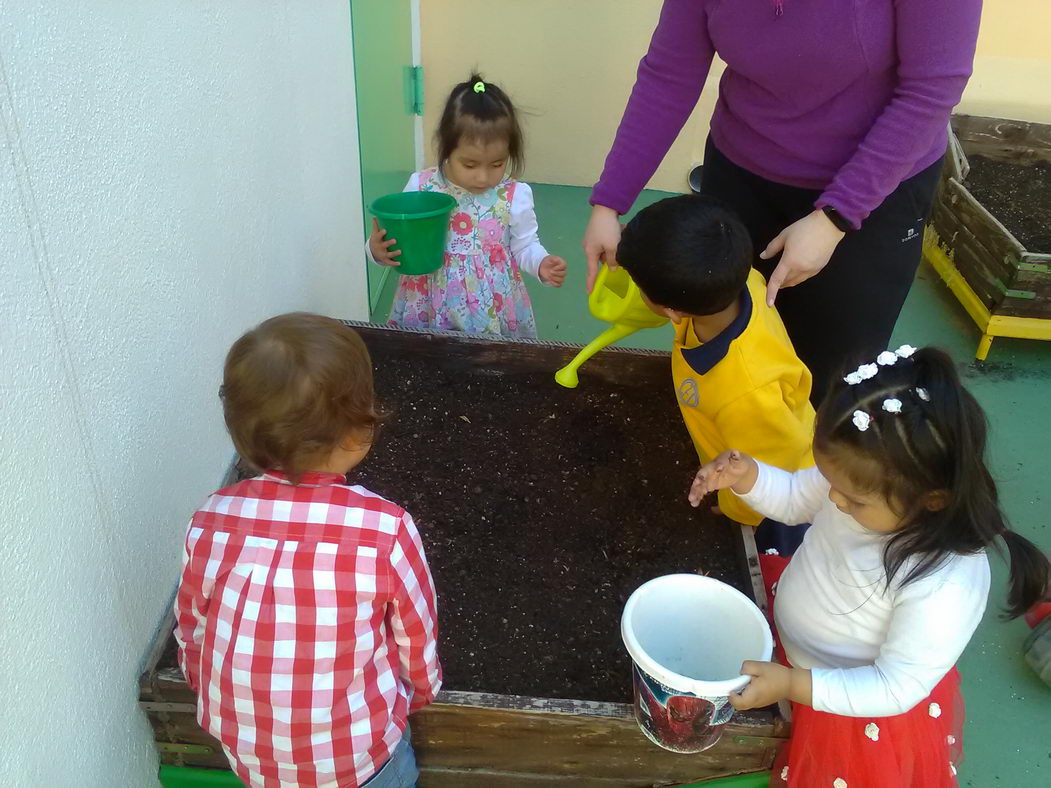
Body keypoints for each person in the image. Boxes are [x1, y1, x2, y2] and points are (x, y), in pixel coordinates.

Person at [583, 0, 982, 403]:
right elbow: (670, 73)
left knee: (831, 376)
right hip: (741, 170)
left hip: (876, 184)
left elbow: (932, 88)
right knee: (725, 346)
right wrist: (609, 202)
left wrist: (836, 216)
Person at [688, 345, 1051, 787]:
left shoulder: (944, 582)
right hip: (788, 653)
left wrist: (793, 685)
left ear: (931, 499)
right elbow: (796, 498)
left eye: (853, 499)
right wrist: (748, 477)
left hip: (847, 704)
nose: (834, 500)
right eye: (830, 480)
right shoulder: (861, 482)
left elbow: (895, 686)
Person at [174, 313, 441, 788]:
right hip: (358, 760)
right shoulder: (384, 530)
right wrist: (419, 692)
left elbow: (193, 627)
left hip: (250, 754)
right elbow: (414, 640)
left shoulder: (212, 519)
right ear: (355, 429)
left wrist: (203, 684)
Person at [617, 194, 814, 556]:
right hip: (750, 427)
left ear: (672, 310)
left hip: (783, 495)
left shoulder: (744, 392)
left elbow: (770, 465)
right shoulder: (742, 282)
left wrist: (735, 506)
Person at [370, 74, 567, 338]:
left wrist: (541, 263)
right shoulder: (422, 187)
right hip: (427, 304)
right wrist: (375, 250)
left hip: (490, 310)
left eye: (497, 164)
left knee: (489, 364)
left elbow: (524, 244)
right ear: (445, 148)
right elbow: (396, 241)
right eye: (470, 164)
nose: (484, 177)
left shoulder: (513, 195)